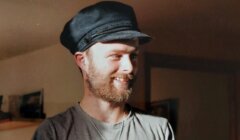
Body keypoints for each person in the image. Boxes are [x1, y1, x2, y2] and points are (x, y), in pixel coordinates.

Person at [33, 1, 175, 140]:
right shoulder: (53, 133)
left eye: (133, 56)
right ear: (83, 61)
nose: (129, 67)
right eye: (115, 56)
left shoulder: (158, 130)